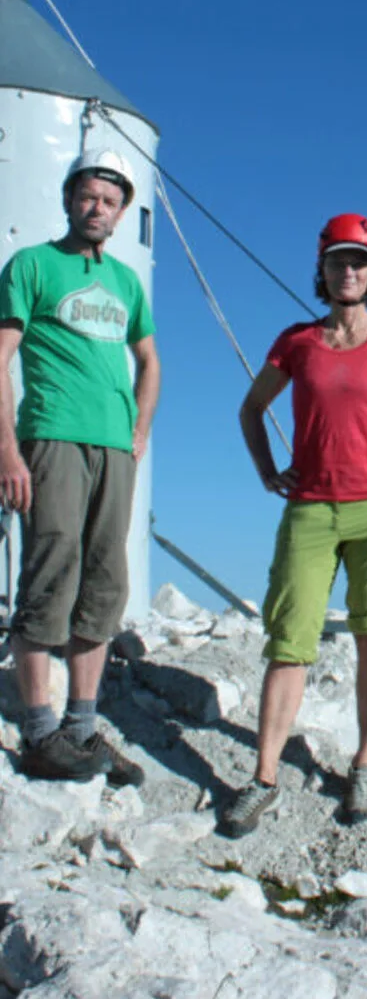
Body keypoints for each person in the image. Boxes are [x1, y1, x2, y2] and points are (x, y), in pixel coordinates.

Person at [221, 213, 367, 837]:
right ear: (322, 270)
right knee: (288, 641)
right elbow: (252, 407)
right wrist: (266, 469)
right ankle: (265, 777)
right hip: (310, 507)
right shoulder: (297, 342)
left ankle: (364, 764)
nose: (347, 271)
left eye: (358, 262)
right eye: (337, 261)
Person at [0, 149, 160, 784]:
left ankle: (82, 729)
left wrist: (139, 429)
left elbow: (149, 361)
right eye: (88, 197)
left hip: (112, 449)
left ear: (121, 213)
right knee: (50, 570)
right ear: (69, 199)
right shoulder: (32, 266)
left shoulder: (126, 282)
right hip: (52, 437)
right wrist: (7, 449)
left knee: (104, 580)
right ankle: (40, 733)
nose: (98, 209)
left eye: (111, 201)